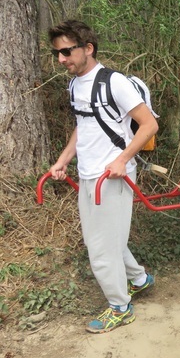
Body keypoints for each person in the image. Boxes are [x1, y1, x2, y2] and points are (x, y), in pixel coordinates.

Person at [47, 20, 159, 333]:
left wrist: (123, 160)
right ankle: (139, 279)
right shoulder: (74, 85)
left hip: (112, 177)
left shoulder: (114, 82)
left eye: (66, 51)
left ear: (88, 48)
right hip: (88, 174)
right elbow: (84, 127)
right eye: (57, 53)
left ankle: (120, 308)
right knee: (107, 239)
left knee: (99, 248)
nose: (61, 59)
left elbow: (148, 125)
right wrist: (62, 161)